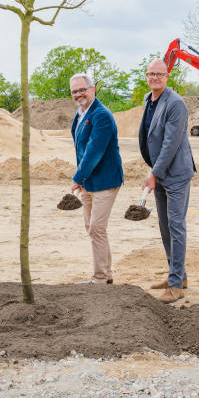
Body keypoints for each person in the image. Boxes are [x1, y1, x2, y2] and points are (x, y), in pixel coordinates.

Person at [138, 58, 195, 303]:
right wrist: (154, 171)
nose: (155, 78)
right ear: (147, 76)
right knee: (164, 226)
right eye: (151, 74)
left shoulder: (176, 104)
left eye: (159, 74)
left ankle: (175, 287)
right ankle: (177, 275)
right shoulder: (148, 100)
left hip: (176, 174)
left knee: (176, 226)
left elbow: (171, 144)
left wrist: (154, 174)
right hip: (160, 172)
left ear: (167, 76)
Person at [69, 72, 123, 285]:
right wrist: (82, 179)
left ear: (92, 89)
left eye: (82, 89)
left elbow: (94, 151)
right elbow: (80, 149)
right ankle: (106, 275)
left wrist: (77, 177)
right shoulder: (80, 113)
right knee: (91, 228)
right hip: (88, 181)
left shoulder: (101, 115)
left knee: (97, 228)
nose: (79, 94)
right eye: (75, 91)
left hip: (105, 181)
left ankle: (100, 278)